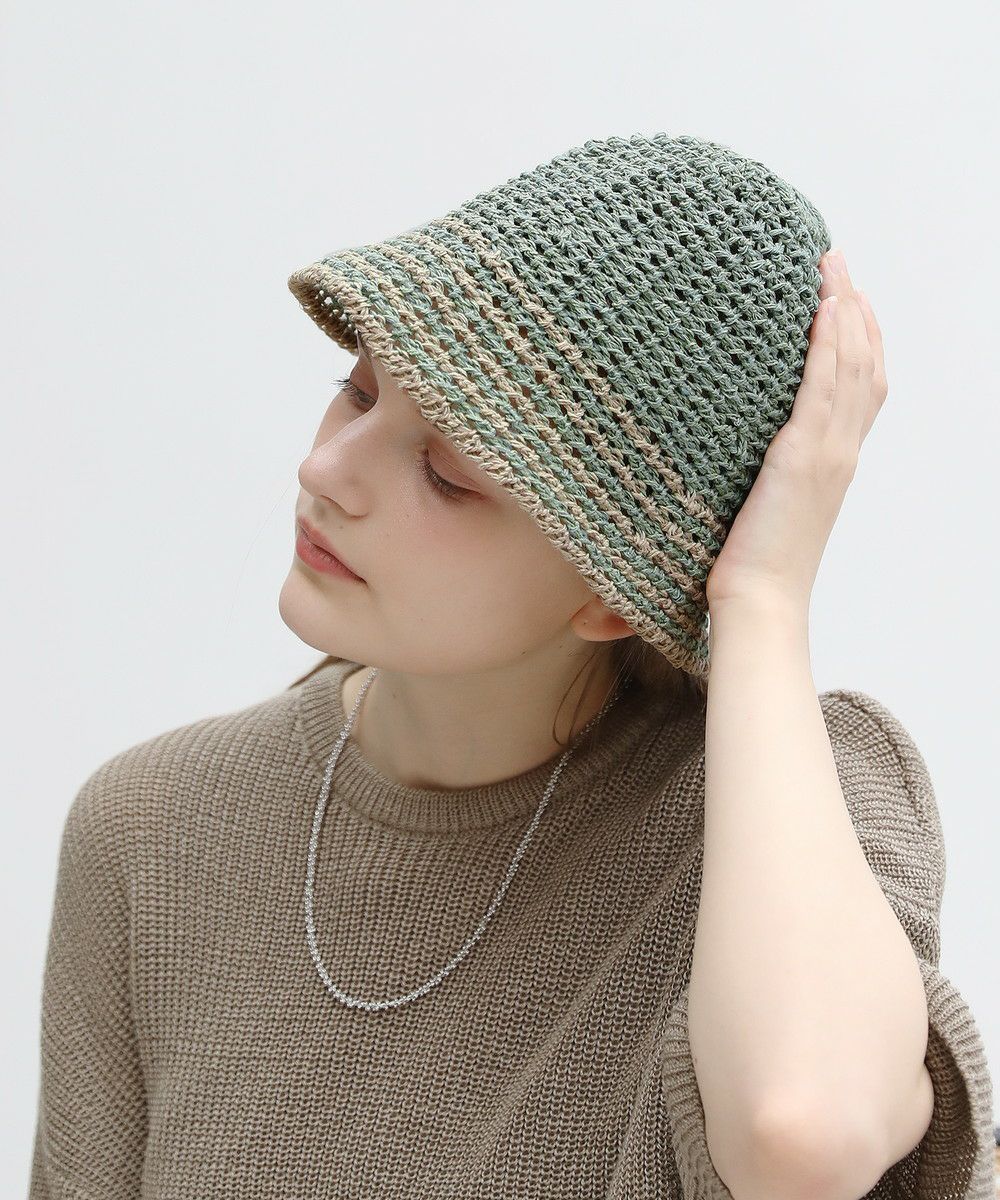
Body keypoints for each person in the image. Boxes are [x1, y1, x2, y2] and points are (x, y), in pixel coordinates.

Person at [27, 133, 994, 1199]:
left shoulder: (794, 814)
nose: (324, 469)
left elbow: (802, 1138)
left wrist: (760, 600)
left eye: (446, 474)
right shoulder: (154, 830)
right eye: (357, 392)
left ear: (610, 593)